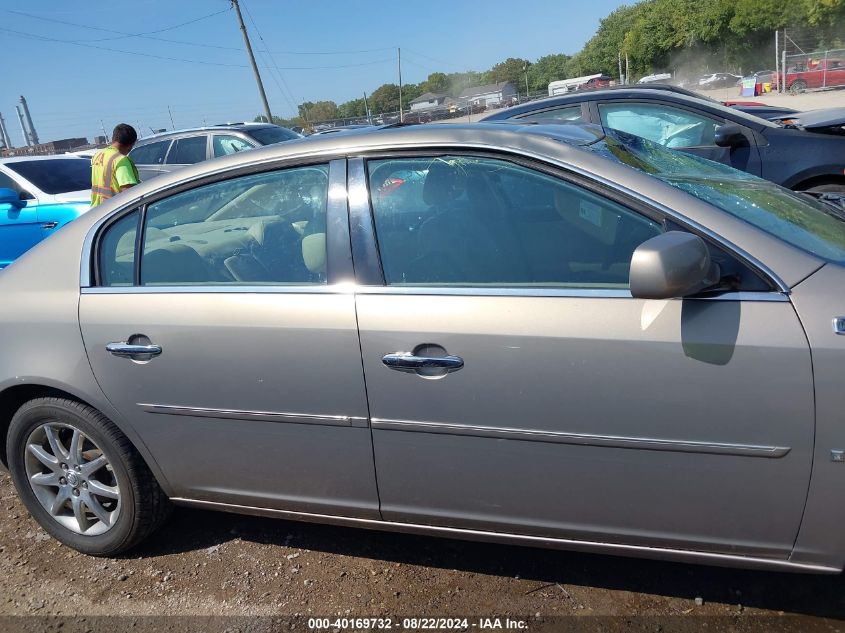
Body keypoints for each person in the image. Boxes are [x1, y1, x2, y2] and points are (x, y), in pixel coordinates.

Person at [90, 123, 139, 207]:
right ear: (130, 144)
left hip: (97, 210)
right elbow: (129, 192)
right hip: (115, 210)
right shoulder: (120, 160)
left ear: (113, 138)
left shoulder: (98, 155)